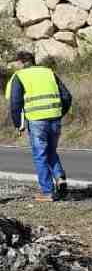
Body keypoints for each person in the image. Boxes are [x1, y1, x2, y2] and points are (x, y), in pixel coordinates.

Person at [5, 50, 71, 202]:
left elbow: (15, 103)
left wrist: (18, 124)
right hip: (55, 118)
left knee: (40, 155)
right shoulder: (49, 72)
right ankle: (60, 178)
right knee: (51, 151)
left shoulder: (20, 76)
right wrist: (59, 113)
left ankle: (48, 192)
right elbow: (67, 96)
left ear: (21, 62)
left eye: (17, 62)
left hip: (36, 120)